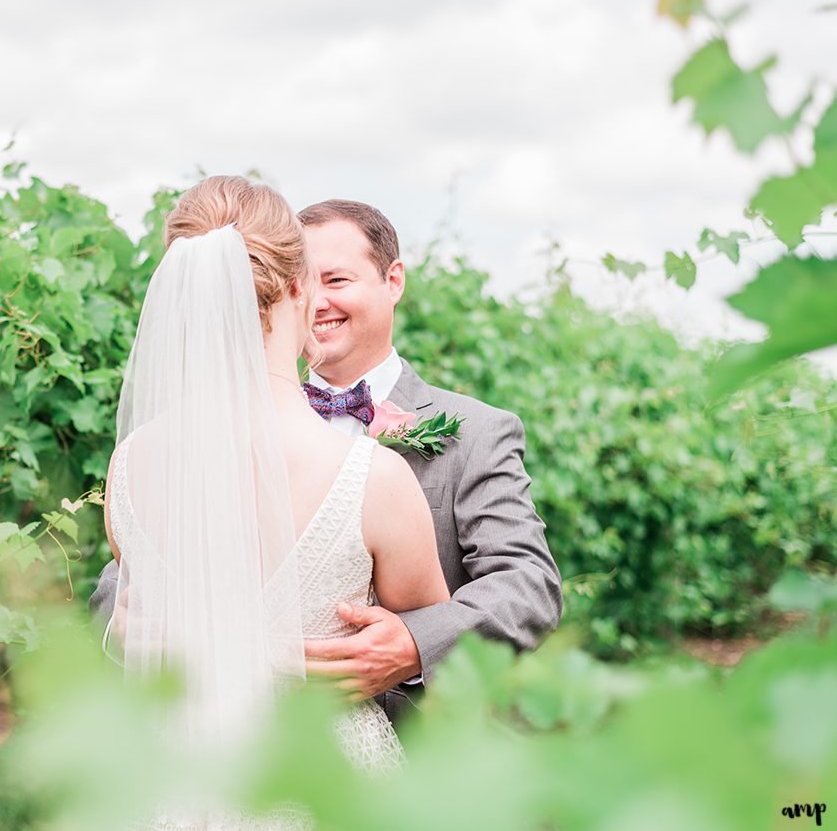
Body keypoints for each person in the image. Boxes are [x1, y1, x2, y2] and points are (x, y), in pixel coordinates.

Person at [93, 197, 563, 727]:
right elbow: (130, 568)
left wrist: (415, 644)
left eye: (337, 280)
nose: (319, 299)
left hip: (411, 738)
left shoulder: (476, 429)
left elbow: (527, 582)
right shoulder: (188, 439)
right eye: (307, 279)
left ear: (393, 280)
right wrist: (120, 624)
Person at [101, 177, 448, 826]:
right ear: (298, 286)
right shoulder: (375, 479)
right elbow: (450, 664)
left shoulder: (130, 467)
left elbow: (139, 606)